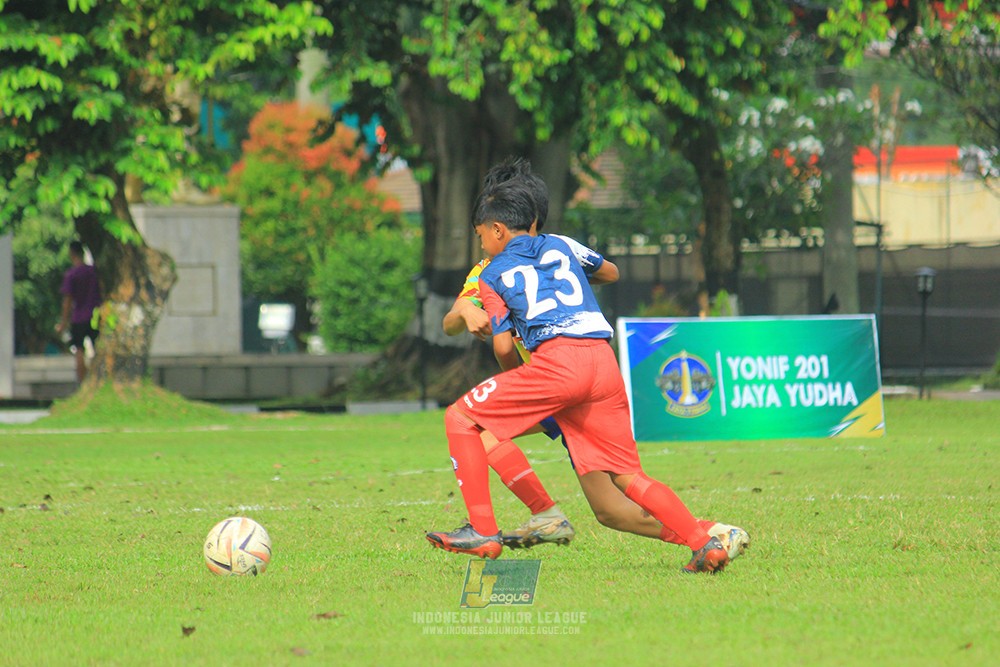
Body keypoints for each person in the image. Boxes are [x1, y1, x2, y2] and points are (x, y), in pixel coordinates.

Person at [427, 176, 741, 573]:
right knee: (626, 480)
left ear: (497, 230)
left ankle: (483, 531)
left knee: (461, 418)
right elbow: (609, 272)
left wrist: (526, 388)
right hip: (602, 362)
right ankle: (704, 543)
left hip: (554, 370)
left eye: (481, 236)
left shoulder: (491, 271)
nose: (482, 245)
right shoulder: (561, 244)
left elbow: (504, 348)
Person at [55, 241, 102, 382]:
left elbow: (67, 301)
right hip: (95, 316)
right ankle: (98, 379)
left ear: (71, 254)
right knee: (98, 349)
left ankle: (83, 383)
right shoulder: (93, 272)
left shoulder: (72, 274)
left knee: (79, 351)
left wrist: (63, 323)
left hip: (78, 317)